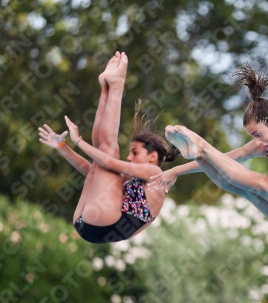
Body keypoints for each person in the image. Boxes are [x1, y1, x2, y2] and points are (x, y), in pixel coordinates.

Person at [149, 63, 268, 239]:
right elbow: (224, 159)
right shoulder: (263, 145)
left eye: (258, 134)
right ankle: (200, 153)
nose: (257, 142)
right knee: (247, 190)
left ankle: (201, 145)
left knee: (262, 182)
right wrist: (175, 171)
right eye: (253, 136)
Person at [38, 51, 179, 243]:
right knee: (99, 160)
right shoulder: (139, 179)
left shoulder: (154, 173)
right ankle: (106, 85)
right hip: (91, 223)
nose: (129, 157)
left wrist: (78, 141)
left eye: (135, 152)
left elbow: (109, 161)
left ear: (153, 156)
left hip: (104, 223)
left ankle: (117, 85)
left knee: (108, 151)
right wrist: (63, 147)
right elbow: (92, 169)